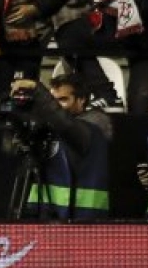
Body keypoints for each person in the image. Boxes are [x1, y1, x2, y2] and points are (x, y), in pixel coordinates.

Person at [9, 74, 112, 221]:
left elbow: (64, 123)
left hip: (83, 220)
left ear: (81, 100)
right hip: (45, 216)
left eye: (62, 100)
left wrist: (37, 90)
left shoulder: (90, 130)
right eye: (53, 99)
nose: (56, 105)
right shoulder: (48, 130)